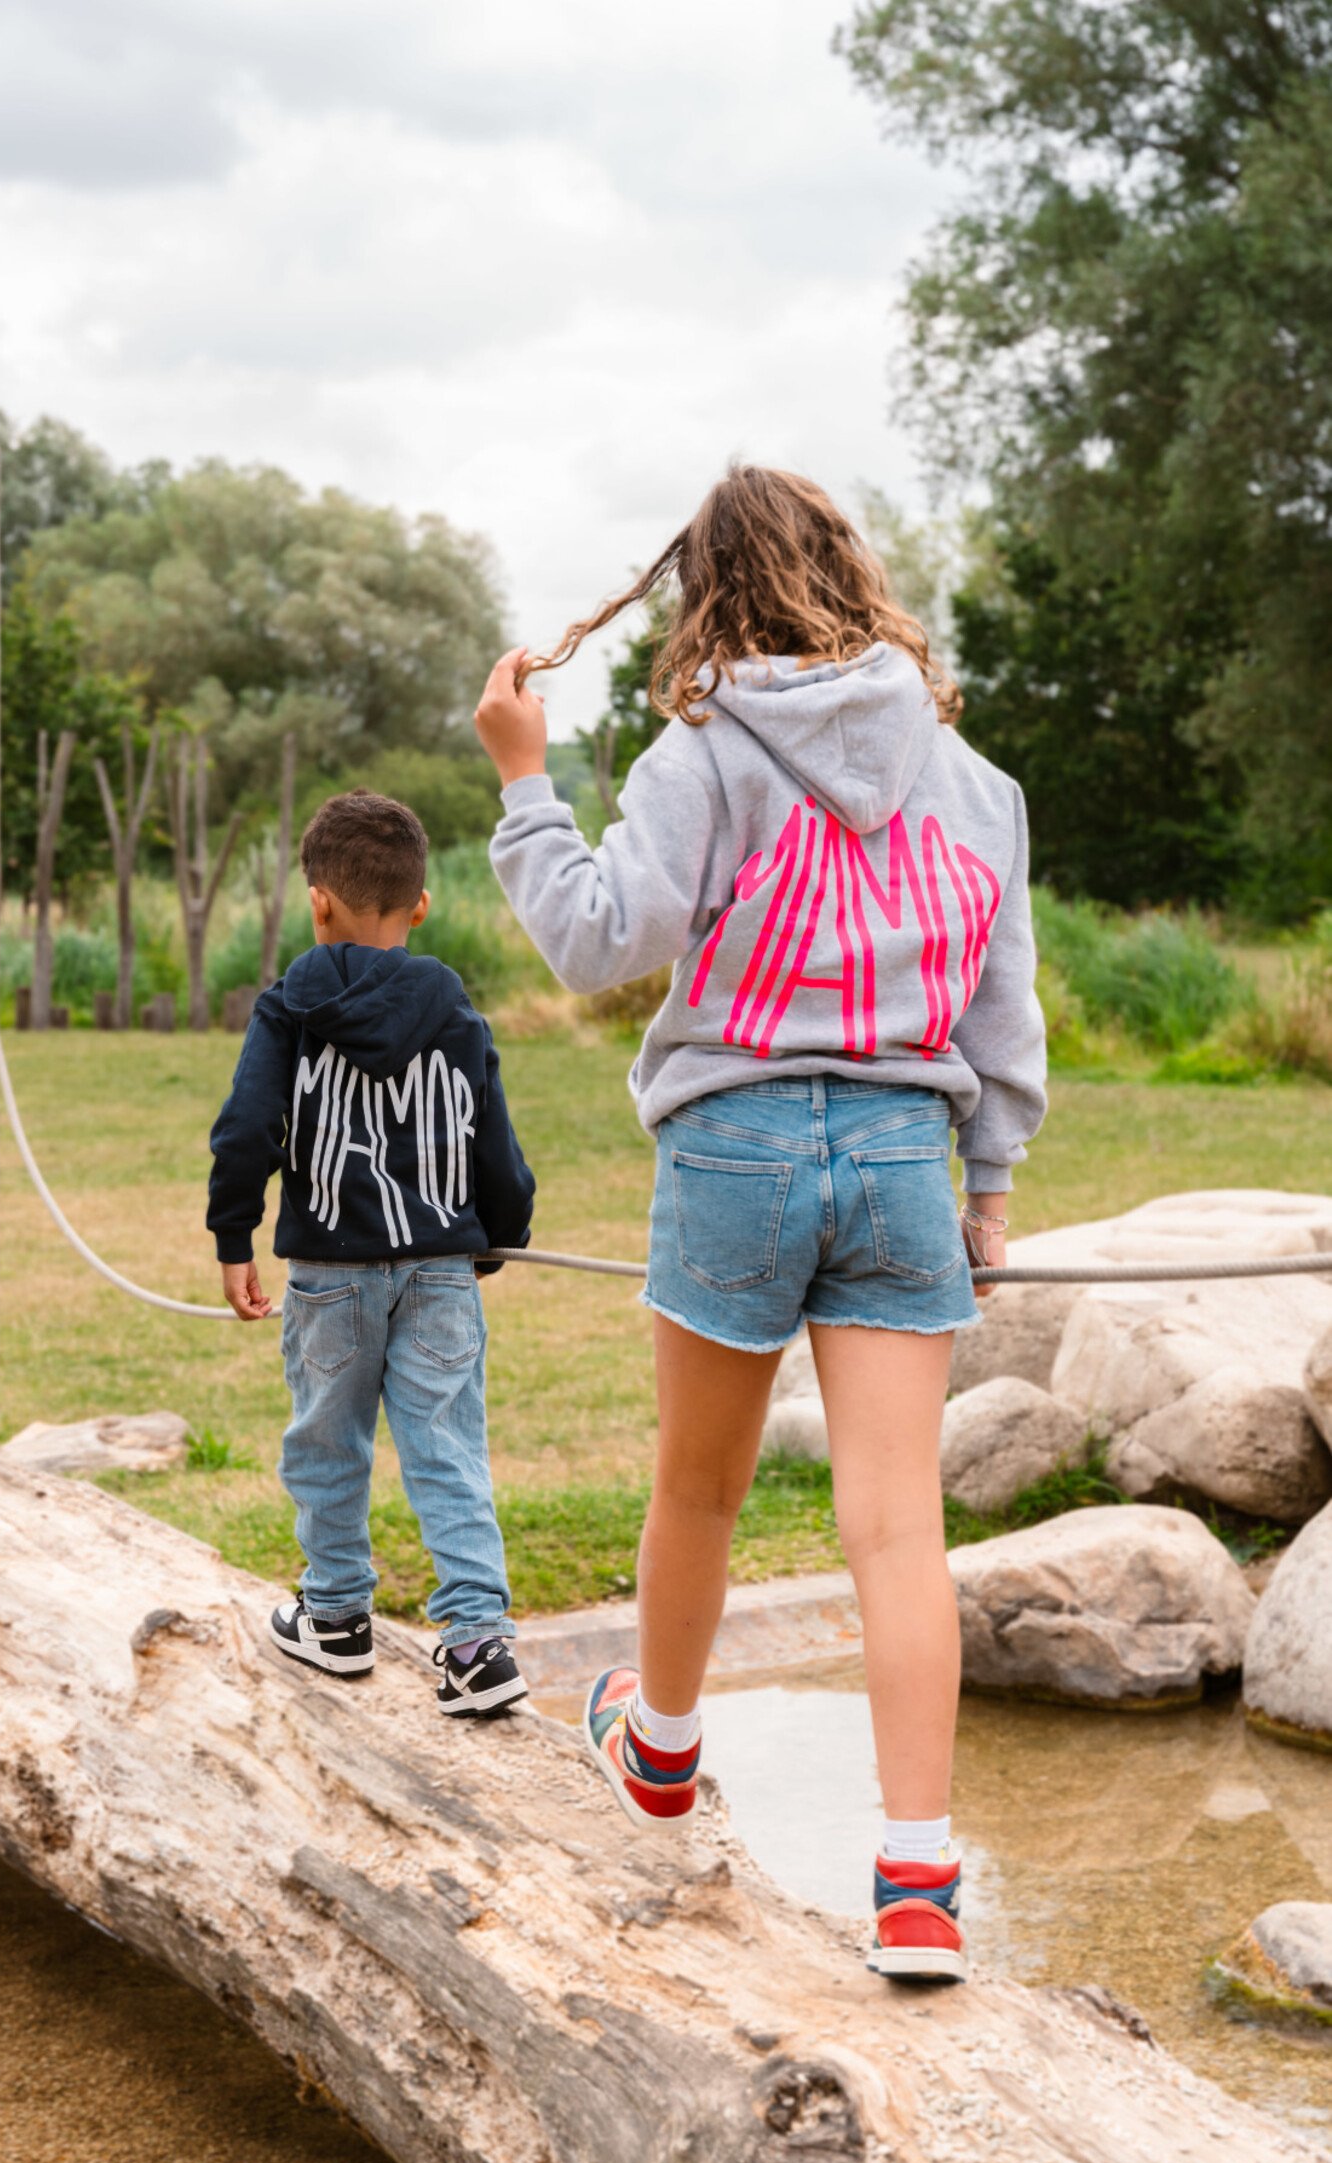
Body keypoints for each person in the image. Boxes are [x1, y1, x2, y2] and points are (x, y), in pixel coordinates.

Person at [474, 464, 1046, 1981]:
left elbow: (601, 940)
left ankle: (658, 1746)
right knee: (897, 1525)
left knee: (701, 1491)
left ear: (703, 594)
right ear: (852, 574)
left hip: (731, 1149)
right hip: (902, 1156)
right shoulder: (973, 782)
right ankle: (919, 1880)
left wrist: (526, 782)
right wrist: (989, 1183)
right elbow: (1003, 1006)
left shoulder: (702, 754)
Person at [206, 788, 537, 1719]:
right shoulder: (455, 1010)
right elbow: (491, 1134)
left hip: (331, 1273)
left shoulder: (288, 1010)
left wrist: (234, 1233)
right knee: (447, 1448)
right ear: (419, 905)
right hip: (440, 1268)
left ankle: (338, 1616)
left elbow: (246, 1130)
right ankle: (477, 1643)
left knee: (327, 1440)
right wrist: (499, 1229)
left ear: (317, 901)